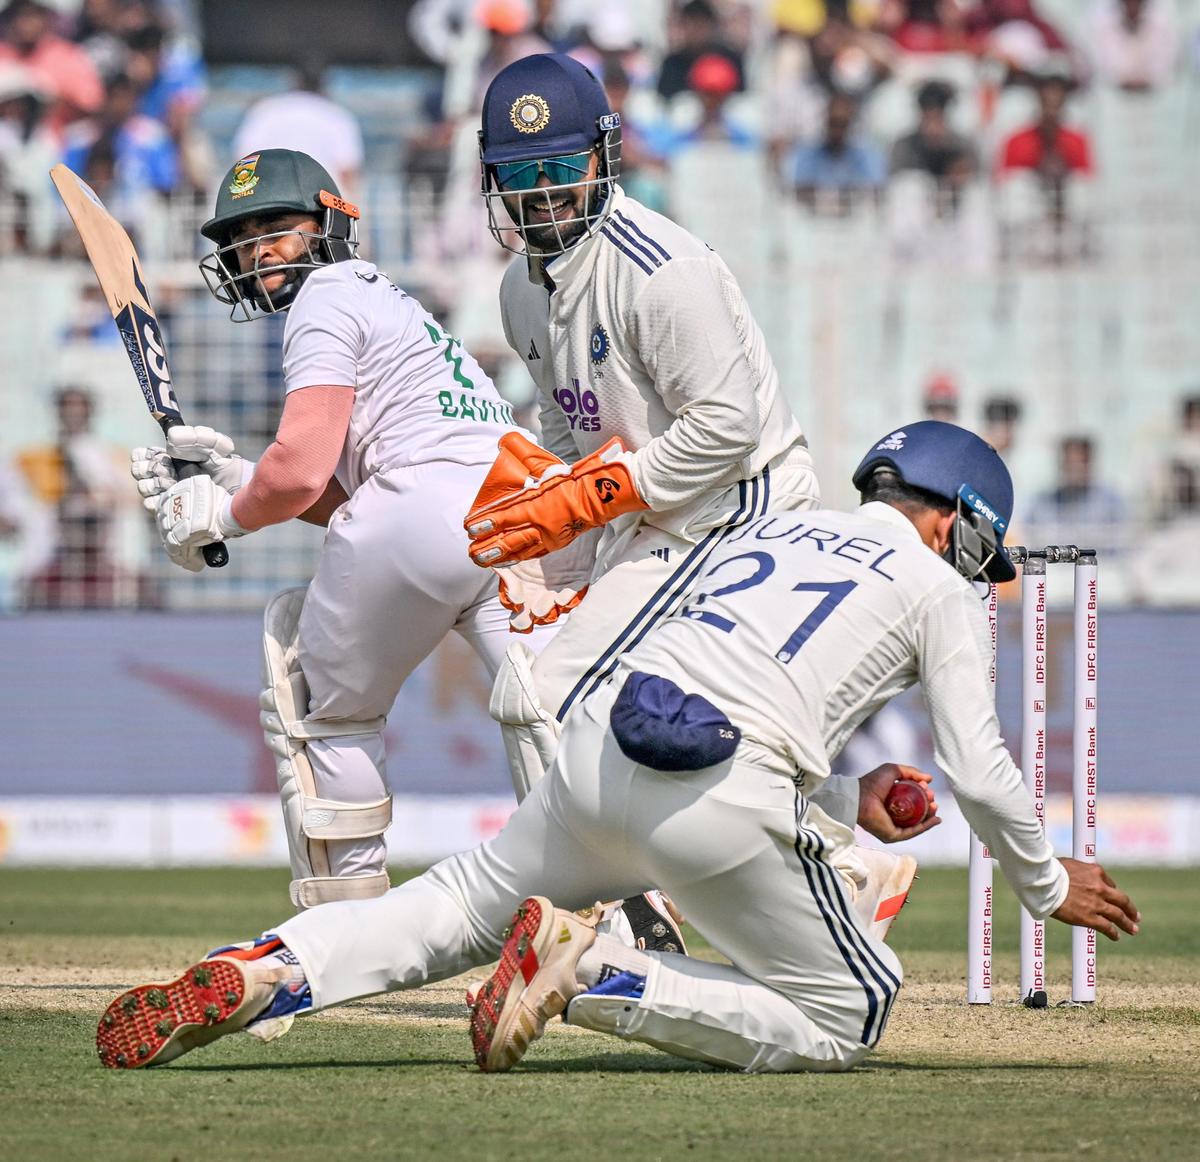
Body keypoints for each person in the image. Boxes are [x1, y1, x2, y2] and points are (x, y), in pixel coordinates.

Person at [95, 421, 1140, 1074]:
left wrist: (838, 792)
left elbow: (720, 669)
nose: (976, 566)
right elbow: (980, 768)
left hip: (603, 741)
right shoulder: (929, 586)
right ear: (955, 518)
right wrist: (1046, 885)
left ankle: (271, 965)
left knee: (455, 905)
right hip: (719, 786)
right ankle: (598, 971)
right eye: (976, 543)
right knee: (851, 1006)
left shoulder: (770, 532)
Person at [130, 148, 561, 925]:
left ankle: (346, 929)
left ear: (327, 224)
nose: (259, 247)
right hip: (516, 508)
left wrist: (221, 519)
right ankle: (620, 906)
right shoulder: (387, 299)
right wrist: (237, 477)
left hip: (428, 509)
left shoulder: (321, 299)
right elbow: (345, 490)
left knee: (320, 708)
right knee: (553, 715)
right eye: (244, 233)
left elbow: (305, 477)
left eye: (278, 226)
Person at [464, 52, 821, 827]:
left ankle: (598, 908)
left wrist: (601, 495)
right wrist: (557, 572)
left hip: (739, 510)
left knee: (541, 694)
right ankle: (847, 863)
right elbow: (566, 436)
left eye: (559, 166)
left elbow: (729, 428)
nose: (543, 192)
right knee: (653, 726)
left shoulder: (660, 270)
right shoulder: (519, 290)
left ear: (600, 157)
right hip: (656, 518)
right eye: (520, 175)